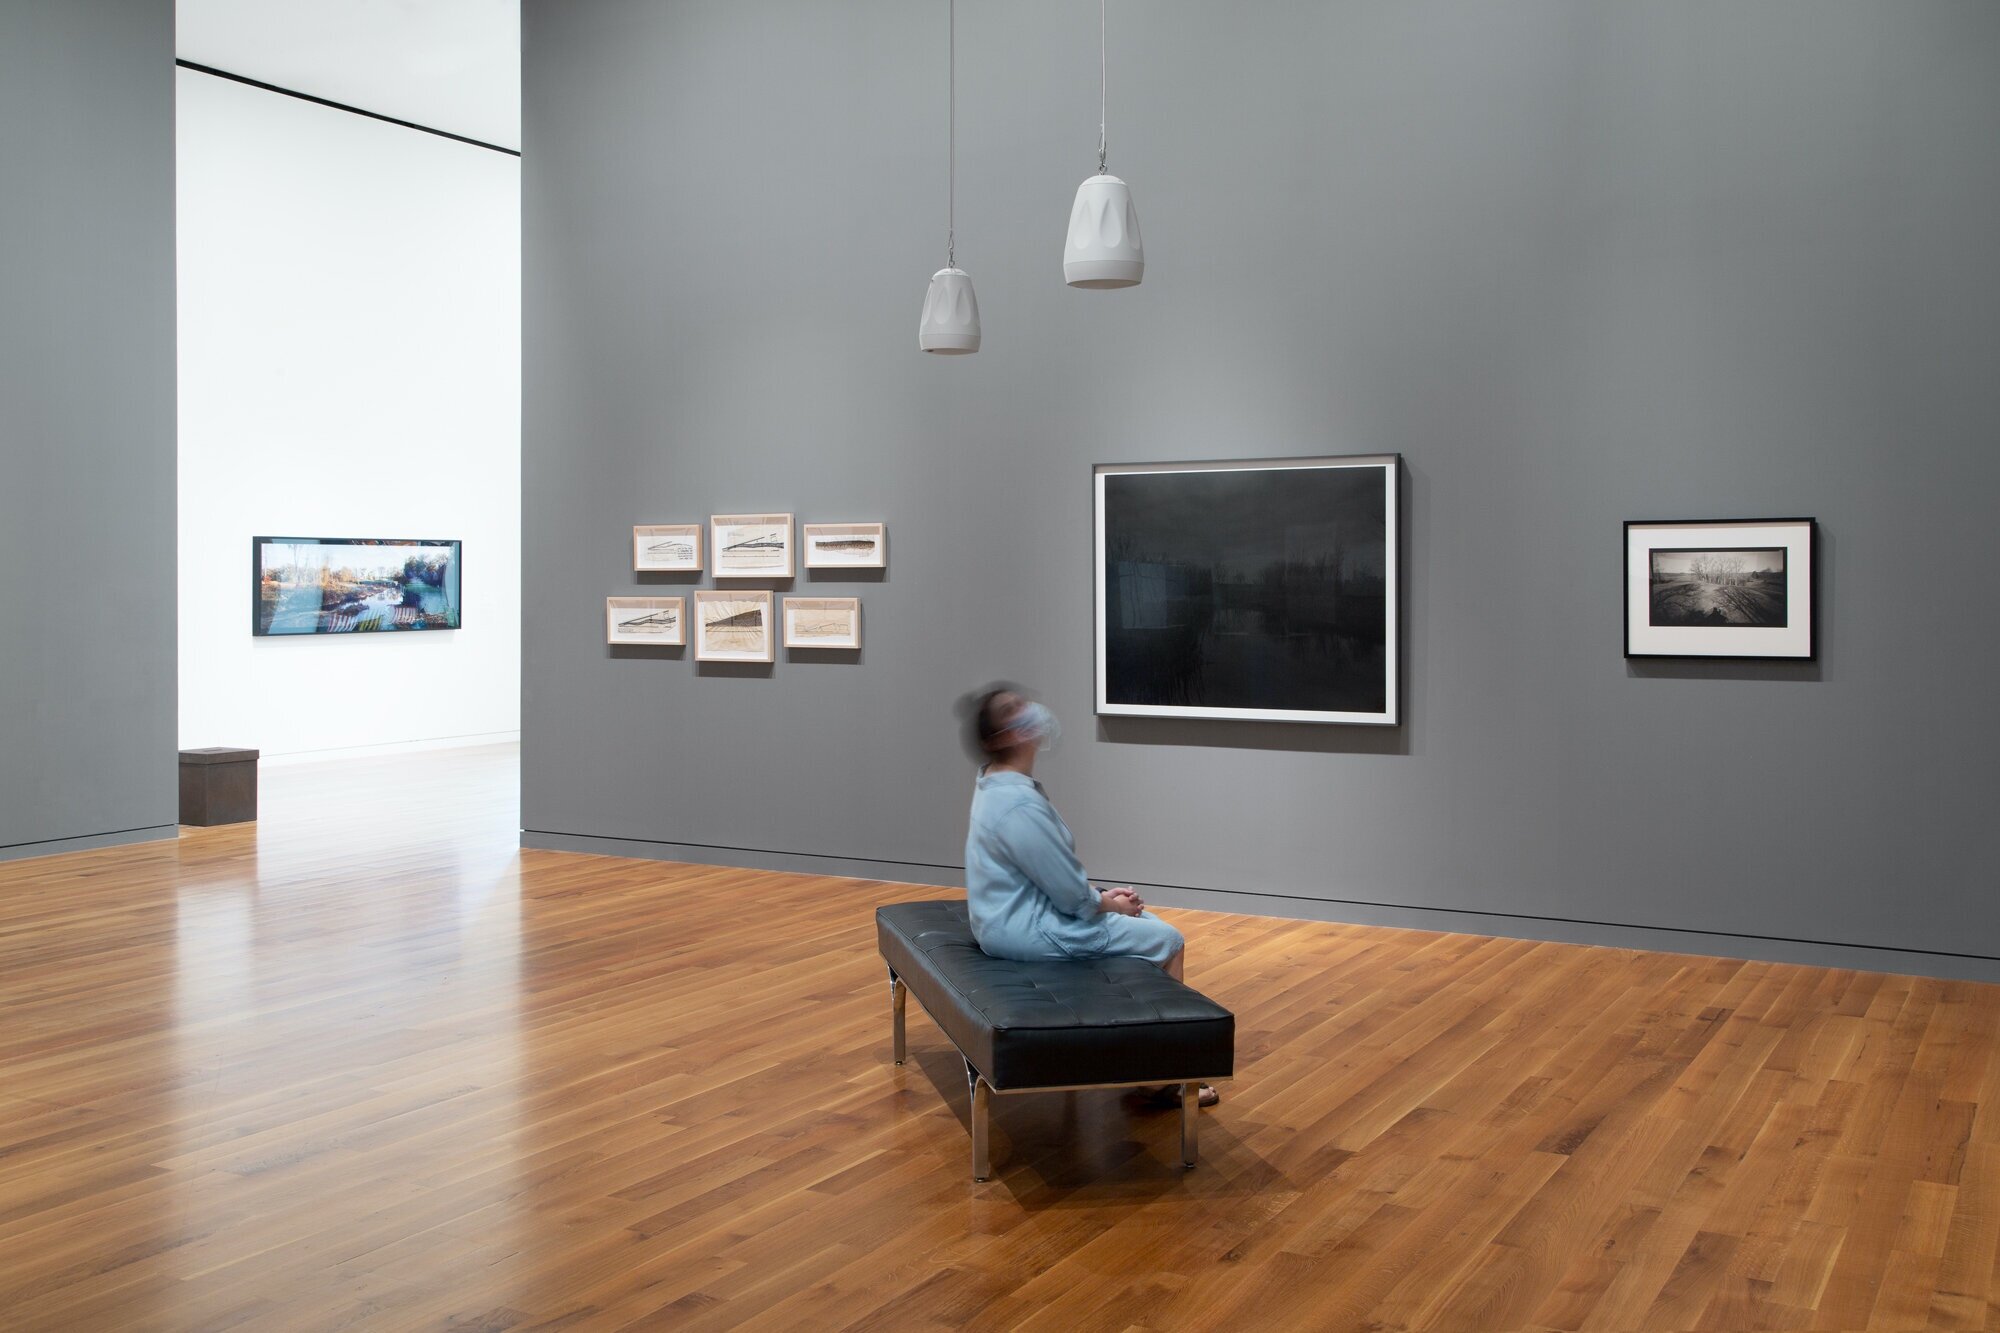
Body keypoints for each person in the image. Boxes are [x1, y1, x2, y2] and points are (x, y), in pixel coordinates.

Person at [959, 684, 1219, 1108]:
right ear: (1006, 736)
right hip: (1025, 931)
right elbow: (1067, 896)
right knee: (1167, 940)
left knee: (1144, 922)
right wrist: (1109, 904)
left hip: (1008, 918)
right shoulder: (1018, 804)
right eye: (1015, 710)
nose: (1031, 711)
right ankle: (1164, 1078)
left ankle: (1141, 1058)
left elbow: (1049, 876)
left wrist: (1100, 896)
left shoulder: (996, 784)